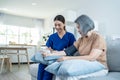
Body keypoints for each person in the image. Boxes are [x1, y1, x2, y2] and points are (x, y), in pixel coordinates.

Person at [43, 14, 108, 79]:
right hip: (85, 64)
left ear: (85, 26)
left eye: (78, 27)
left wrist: (67, 58)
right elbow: (67, 51)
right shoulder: (81, 40)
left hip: (99, 66)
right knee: (61, 72)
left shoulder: (98, 38)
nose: (77, 30)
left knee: (71, 76)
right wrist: (50, 54)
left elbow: (91, 57)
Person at [37, 15, 76, 80]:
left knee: (49, 67)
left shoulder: (70, 36)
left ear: (64, 24)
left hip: (62, 57)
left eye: (59, 25)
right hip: (52, 56)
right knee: (41, 64)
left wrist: (60, 52)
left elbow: (73, 50)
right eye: (55, 25)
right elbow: (49, 48)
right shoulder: (52, 36)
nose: (57, 27)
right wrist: (49, 51)